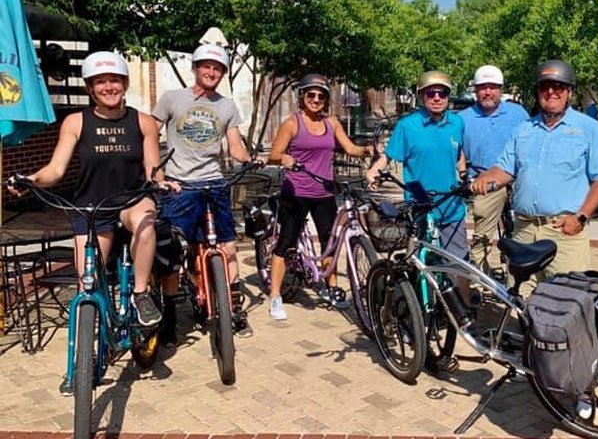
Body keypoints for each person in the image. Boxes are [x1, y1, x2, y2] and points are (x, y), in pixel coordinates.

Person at [8, 51, 162, 388]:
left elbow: (153, 169)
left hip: (131, 201)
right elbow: (56, 169)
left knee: (147, 221)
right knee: (86, 286)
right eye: (99, 82)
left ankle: (139, 295)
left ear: (124, 83)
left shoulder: (143, 122)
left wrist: (162, 181)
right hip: (91, 207)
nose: (108, 87)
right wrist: (32, 180)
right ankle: (76, 367)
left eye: (114, 80)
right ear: (91, 88)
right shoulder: (76, 122)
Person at [153, 43, 259, 343]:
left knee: (227, 248)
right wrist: (156, 172)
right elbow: (151, 133)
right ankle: (171, 314)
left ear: (222, 73)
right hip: (180, 186)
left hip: (214, 185)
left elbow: (235, 146)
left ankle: (234, 310)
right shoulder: (172, 99)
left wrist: (249, 158)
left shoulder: (226, 106)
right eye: (206, 66)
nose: (211, 72)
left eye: (217, 68)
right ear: (196, 68)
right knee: (174, 250)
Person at [472, 59, 598, 283]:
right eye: (544, 86)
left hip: (563, 234)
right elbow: (506, 169)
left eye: (558, 86)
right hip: (524, 232)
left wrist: (581, 217)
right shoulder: (524, 129)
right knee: (522, 305)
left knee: (564, 306)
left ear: (569, 92)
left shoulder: (589, 129)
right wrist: (486, 178)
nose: (550, 92)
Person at [365, 70, 469, 372]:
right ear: (421, 96)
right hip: (421, 207)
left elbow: (458, 154)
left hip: (452, 208)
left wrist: (464, 174)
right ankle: (416, 316)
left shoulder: (457, 123)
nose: (437, 98)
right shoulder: (408, 126)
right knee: (419, 265)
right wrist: (374, 170)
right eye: (430, 93)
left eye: (443, 93)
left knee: (455, 266)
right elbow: (389, 156)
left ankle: (456, 321)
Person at [266, 73, 373, 320]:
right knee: (286, 242)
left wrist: (365, 150)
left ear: (326, 100)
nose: (316, 99)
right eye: (311, 95)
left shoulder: (332, 123)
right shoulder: (292, 123)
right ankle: (275, 295)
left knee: (330, 242)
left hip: (324, 192)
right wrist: (284, 158)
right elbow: (273, 155)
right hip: (296, 192)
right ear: (302, 97)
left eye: (321, 96)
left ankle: (332, 288)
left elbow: (350, 148)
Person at [456, 64, 528, 270]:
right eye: (482, 87)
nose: (488, 92)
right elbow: (458, 149)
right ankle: (479, 281)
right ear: (475, 90)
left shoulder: (518, 113)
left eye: (493, 87)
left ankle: (518, 281)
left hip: (517, 180)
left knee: (521, 235)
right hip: (484, 182)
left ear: (500, 89)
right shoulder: (463, 118)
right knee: (482, 237)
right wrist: (463, 174)